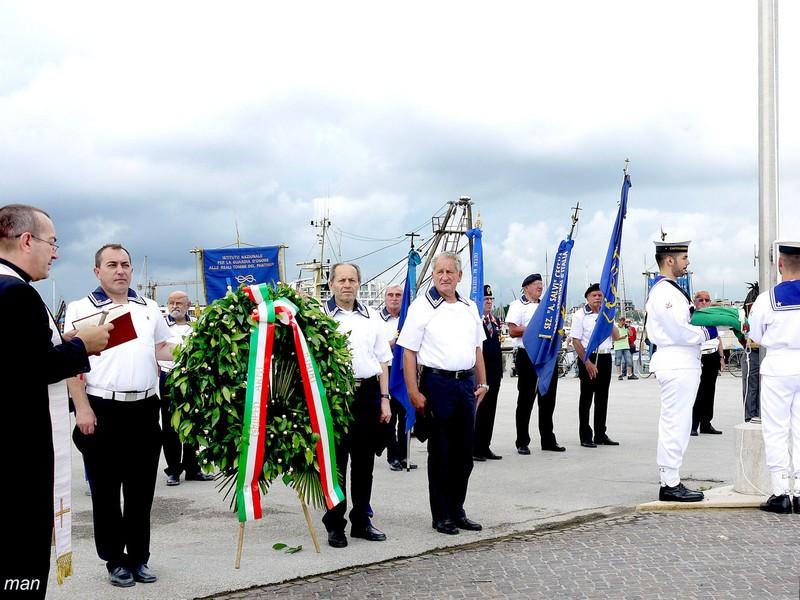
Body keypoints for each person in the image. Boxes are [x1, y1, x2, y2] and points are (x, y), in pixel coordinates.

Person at [0, 205, 111, 600]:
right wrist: (84, 345)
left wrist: (63, 342)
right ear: (26, 239)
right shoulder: (16, 294)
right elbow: (28, 368)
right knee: (20, 567)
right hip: (18, 457)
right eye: (52, 242)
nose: (56, 253)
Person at [66, 244, 176, 587]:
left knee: (141, 491)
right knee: (106, 492)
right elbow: (72, 362)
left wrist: (202, 344)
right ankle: (115, 559)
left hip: (144, 408)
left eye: (125, 264)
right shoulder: (81, 308)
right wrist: (82, 408)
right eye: (112, 264)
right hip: (102, 410)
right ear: (97, 271)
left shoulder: (149, 307)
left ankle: (139, 558)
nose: (121, 270)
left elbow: (163, 348)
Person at [398, 252, 488, 535]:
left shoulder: (469, 306)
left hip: (466, 385)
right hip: (437, 384)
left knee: (464, 454)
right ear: (434, 275)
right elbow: (409, 353)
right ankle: (442, 515)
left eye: (450, 272)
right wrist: (413, 391)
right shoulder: (421, 307)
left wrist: (483, 383)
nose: (445, 277)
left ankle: (457, 509)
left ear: (459, 276)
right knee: (441, 453)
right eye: (440, 272)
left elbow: (478, 348)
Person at [321, 263, 392, 548]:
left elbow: (383, 360)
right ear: (331, 284)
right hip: (335, 397)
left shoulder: (372, 316)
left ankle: (362, 520)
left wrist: (385, 399)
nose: (347, 284)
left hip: (368, 394)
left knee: (364, 463)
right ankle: (335, 524)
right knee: (336, 464)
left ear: (359, 284)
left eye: (352, 280)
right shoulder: (319, 317)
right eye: (342, 280)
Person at [645, 240, 718, 502]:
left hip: (682, 360)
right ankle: (670, 482)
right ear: (670, 260)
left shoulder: (672, 290)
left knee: (680, 421)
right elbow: (678, 329)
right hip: (676, 359)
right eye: (684, 257)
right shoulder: (664, 292)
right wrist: (708, 331)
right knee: (675, 422)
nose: (688, 262)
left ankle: (671, 478)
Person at [747, 242, 800, 513]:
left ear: (780, 265)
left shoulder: (766, 299)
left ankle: (780, 492)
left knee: (776, 430)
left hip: (778, 365)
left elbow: (755, 335)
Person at [159, 291, 214, 485]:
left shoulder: (197, 325)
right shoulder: (161, 325)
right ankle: (173, 470)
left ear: (188, 304)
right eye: (171, 302)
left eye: (179, 303)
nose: (175, 306)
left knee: (194, 421)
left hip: (192, 377)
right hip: (169, 378)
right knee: (171, 426)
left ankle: (193, 468)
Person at [506, 273, 565, 453]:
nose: (540, 287)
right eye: (536, 284)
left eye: (541, 284)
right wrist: (536, 329)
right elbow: (513, 330)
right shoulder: (518, 305)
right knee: (526, 399)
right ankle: (522, 441)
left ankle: (548, 440)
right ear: (526, 287)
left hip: (547, 356)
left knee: (548, 399)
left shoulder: (547, 307)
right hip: (528, 356)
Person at [571, 283, 622, 448]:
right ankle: (585, 435)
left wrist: (607, 318)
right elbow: (576, 341)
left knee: (602, 397)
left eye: (600, 295)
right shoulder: (580, 315)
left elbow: (616, 336)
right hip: (588, 356)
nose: (598, 298)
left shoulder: (605, 314)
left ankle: (600, 433)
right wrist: (587, 362)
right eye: (594, 295)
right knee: (586, 397)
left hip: (605, 356)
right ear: (587, 297)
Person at [380, 284, 416, 471]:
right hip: (387, 372)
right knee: (390, 418)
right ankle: (392, 455)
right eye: (391, 295)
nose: (394, 298)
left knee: (405, 415)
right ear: (385, 298)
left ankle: (404, 455)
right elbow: (375, 346)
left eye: (398, 295)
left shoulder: (408, 320)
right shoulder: (378, 320)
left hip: (404, 372)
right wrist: (393, 344)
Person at [474, 284, 503, 461]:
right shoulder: (476, 321)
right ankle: (475, 447)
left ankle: (485, 445)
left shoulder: (494, 320)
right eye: (486, 299)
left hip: (494, 371)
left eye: (491, 299)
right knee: (480, 410)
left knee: (490, 410)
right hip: (481, 372)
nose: (489, 302)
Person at [690, 290, 725, 436]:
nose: (704, 302)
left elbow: (718, 338)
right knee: (697, 392)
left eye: (707, 300)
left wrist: (722, 357)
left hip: (713, 356)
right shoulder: (691, 318)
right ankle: (693, 424)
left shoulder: (713, 318)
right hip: (699, 357)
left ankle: (706, 423)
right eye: (700, 300)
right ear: (695, 302)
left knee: (710, 391)